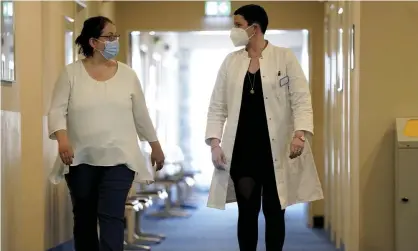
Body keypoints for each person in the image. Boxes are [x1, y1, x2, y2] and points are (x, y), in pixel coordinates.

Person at [205, 4, 323, 251]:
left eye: (238, 25)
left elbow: (301, 99)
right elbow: (217, 105)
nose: (233, 30)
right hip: (242, 153)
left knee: (274, 213)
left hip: (275, 152)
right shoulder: (231, 62)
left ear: (254, 28)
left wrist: (300, 134)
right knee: (247, 213)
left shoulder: (284, 57)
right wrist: (215, 143)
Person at [47, 16, 165, 251]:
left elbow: (141, 114)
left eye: (116, 36)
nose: (114, 41)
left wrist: (155, 145)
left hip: (120, 159)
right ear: (93, 42)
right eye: (109, 37)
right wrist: (62, 140)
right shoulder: (71, 74)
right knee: (84, 219)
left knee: (111, 217)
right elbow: (57, 110)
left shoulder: (128, 75)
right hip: (81, 158)